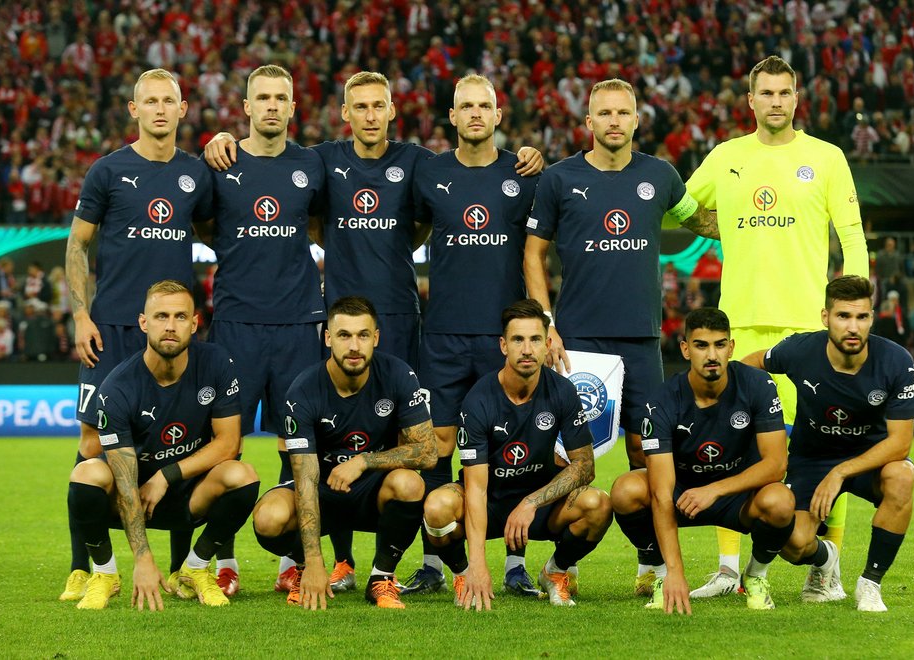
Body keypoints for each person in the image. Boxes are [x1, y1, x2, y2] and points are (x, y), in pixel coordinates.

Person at [205, 71, 542, 591]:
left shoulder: (419, 164)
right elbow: (292, 194)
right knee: (326, 435)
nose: (368, 114)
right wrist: (223, 140)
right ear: (345, 113)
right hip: (338, 322)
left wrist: (528, 155)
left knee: (417, 440)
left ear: (391, 111)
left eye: (378, 106)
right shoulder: (320, 161)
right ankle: (337, 559)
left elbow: (437, 212)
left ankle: (432, 561)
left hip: (403, 321)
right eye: (359, 106)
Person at [682, 55, 868, 598]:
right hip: (739, 324)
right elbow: (681, 206)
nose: (776, 102)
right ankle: (727, 569)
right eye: (766, 93)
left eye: (784, 93)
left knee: (825, 444)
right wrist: (717, 225)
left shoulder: (827, 158)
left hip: (808, 328)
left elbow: (852, 235)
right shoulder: (726, 157)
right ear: (751, 100)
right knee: (731, 445)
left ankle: (824, 569)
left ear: (796, 98)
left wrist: (852, 312)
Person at [524, 78, 714, 593]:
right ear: (588, 122)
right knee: (567, 459)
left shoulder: (661, 176)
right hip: (578, 342)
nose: (613, 120)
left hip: (642, 342)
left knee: (646, 455)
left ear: (636, 120)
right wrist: (546, 324)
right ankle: (563, 562)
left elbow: (702, 221)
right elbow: (533, 254)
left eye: (622, 112)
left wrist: (762, 215)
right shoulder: (560, 179)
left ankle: (650, 561)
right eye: (603, 113)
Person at [62, 68, 214, 602]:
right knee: (89, 446)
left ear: (182, 109)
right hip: (112, 332)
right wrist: (81, 315)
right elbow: (78, 246)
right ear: (133, 110)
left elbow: (225, 229)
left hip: (169, 333)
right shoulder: (107, 171)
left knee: (177, 437)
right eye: (148, 101)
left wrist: (223, 144)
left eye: (167, 101)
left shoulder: (197, 175)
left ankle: (178, 568)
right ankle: (88, 565)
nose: (157, 109)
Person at [400, 74, 543, 596]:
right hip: (441, 334)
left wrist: (541, 327)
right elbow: (411, 230)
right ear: (452, 116)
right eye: (466, 106)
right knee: (435, 445)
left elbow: (537, 253)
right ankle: (436, 563)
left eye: (485, 105)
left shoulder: (524, 174)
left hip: (502, 338)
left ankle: (514, 564)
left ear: (498, 116)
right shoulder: (429, 173)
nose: (476, 114)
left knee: (512, 445)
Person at [195, 64, 326, 596]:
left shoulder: (312, 166)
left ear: (294, 108)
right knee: (224, 448)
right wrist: (214, 143)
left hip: (299, 324)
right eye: (262, 98)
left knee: (296, 449)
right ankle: (221, 561)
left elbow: (322, 224)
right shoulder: (220, 164)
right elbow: (204, 224)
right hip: (234, 326)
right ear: (245, 107)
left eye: (281, 98)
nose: (272, 105)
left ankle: (291, 561)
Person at [66, 280, 259, 610]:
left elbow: (228, 443)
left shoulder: (216, 363)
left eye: (180, 317)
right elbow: (125, 481)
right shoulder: (117, 388)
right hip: (135, 502)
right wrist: (142, 559)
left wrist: (165, 476)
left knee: (242, 474)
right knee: (87, 473)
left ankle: (194, 568)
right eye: (161, 316)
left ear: (195, 323)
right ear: (143, 322)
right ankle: (105, 574)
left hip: (188, 496)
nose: (170, 326)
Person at [739, 275, 914, 612]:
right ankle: (827, 559)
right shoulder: (801, 349)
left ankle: (870, 583)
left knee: (902, 477)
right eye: (843, 316)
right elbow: (750, 364)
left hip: (871, 459)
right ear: (826, 317)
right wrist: (750, 414)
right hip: (810, 458)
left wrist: (839, 473)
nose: (853, 327)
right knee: (794, 544)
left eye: (861, 317)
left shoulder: (896, 361)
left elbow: (901, 443)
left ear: (872, 317)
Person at [420, 300, 613, 609]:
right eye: (518, 340)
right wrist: (478, 563)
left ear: (547, 344)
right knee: (437, 507)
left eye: (535, 339)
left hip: (538, 505)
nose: (527, 349)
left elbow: (585, 466)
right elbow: (477, 487)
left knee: (598, 504)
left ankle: (555, 572)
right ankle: (462, 574)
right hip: (489, 502)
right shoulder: (478, 400)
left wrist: (531, 502)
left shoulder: (562, 391)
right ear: (503, 345)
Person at [251, 296, 438, 610]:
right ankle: (302, 571)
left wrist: (363, 461)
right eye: (344, 335)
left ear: (375, 338)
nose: (354, 346)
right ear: (328, 339)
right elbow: (306, 480)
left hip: (371, 491)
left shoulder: (398, 374)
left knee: (410, 484)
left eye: (363, 335)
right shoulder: (303, 390)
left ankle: (382, 579)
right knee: (268, 518)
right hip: (322, 490)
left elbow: (428, 451)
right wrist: (313, 561)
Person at [610, 307, 795, 613]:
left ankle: (755, 576)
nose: (712, 355)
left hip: (738, 496)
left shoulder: (758, 385)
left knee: (781, 500)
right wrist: (676, 572)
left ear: (731, 348)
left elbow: (776, 464)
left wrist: (716, 489)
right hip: (683, 495)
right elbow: (660, 490)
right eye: (701, 345)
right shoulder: (661, 401)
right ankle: (660, 576)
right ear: (685, 349)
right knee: (625, 490)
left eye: (720, 344)